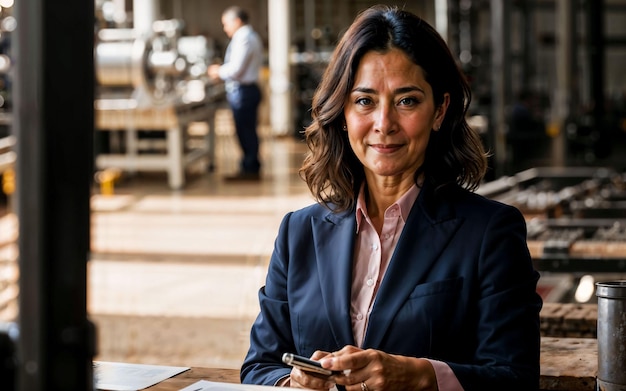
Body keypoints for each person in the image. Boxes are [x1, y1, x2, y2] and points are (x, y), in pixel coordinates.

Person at [241, 5, 542, 391]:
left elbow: (515, 378)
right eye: (365, 101)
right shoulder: (298, 232)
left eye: (407, 101)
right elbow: (259, 366)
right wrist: (290, 382)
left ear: (440, 110)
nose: (384, 123)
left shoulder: (490, 233)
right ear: (344, 111)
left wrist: (420, 376)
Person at [208, 6, 264, 181]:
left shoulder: (244, 37)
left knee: (245, 131)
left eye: (226, 24)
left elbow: (236, 69)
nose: (225, 29)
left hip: (244, 91)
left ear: (237, 21)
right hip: (245, 90)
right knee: (246, 130)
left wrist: (218, 71)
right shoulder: (249, 36)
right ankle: (249, 166)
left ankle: (250, 169)